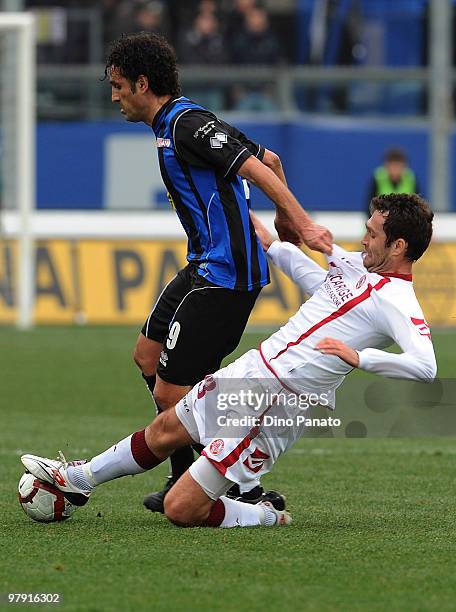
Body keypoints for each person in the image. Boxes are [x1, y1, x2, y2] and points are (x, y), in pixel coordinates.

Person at [22, 193, 437, 528]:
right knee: (166, 428)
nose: (364, 239)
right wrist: (249, 221)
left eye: (372, 233)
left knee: (180, 509)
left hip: (279, 401)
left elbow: (425, 365)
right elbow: (316, 280)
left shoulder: (397, 302)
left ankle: (263, 514)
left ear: (398, 245)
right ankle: (79, 480)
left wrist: (358, 357)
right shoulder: (355, 271)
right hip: (253, 370)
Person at [105, 32, 332, 513]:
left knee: (172, 389)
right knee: (148, 355)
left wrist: (300, 222)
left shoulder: (187, 123)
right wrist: (285, 221)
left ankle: (236, 485)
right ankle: (187, 476)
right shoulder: (173, 125)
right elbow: (270, 157)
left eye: (120, 85)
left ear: (143, 84)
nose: (115, 96)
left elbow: (256, 168)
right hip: (203, 265)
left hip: (227, 276)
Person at [367, 148, 419, 216]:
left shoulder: (411, 178)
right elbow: (370, 204)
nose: (395, 169)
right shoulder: (378, 177)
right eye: (392, 165)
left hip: (405, 221)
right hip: (380, 221)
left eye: (398, 166)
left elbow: (418, 205)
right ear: (386, 165)